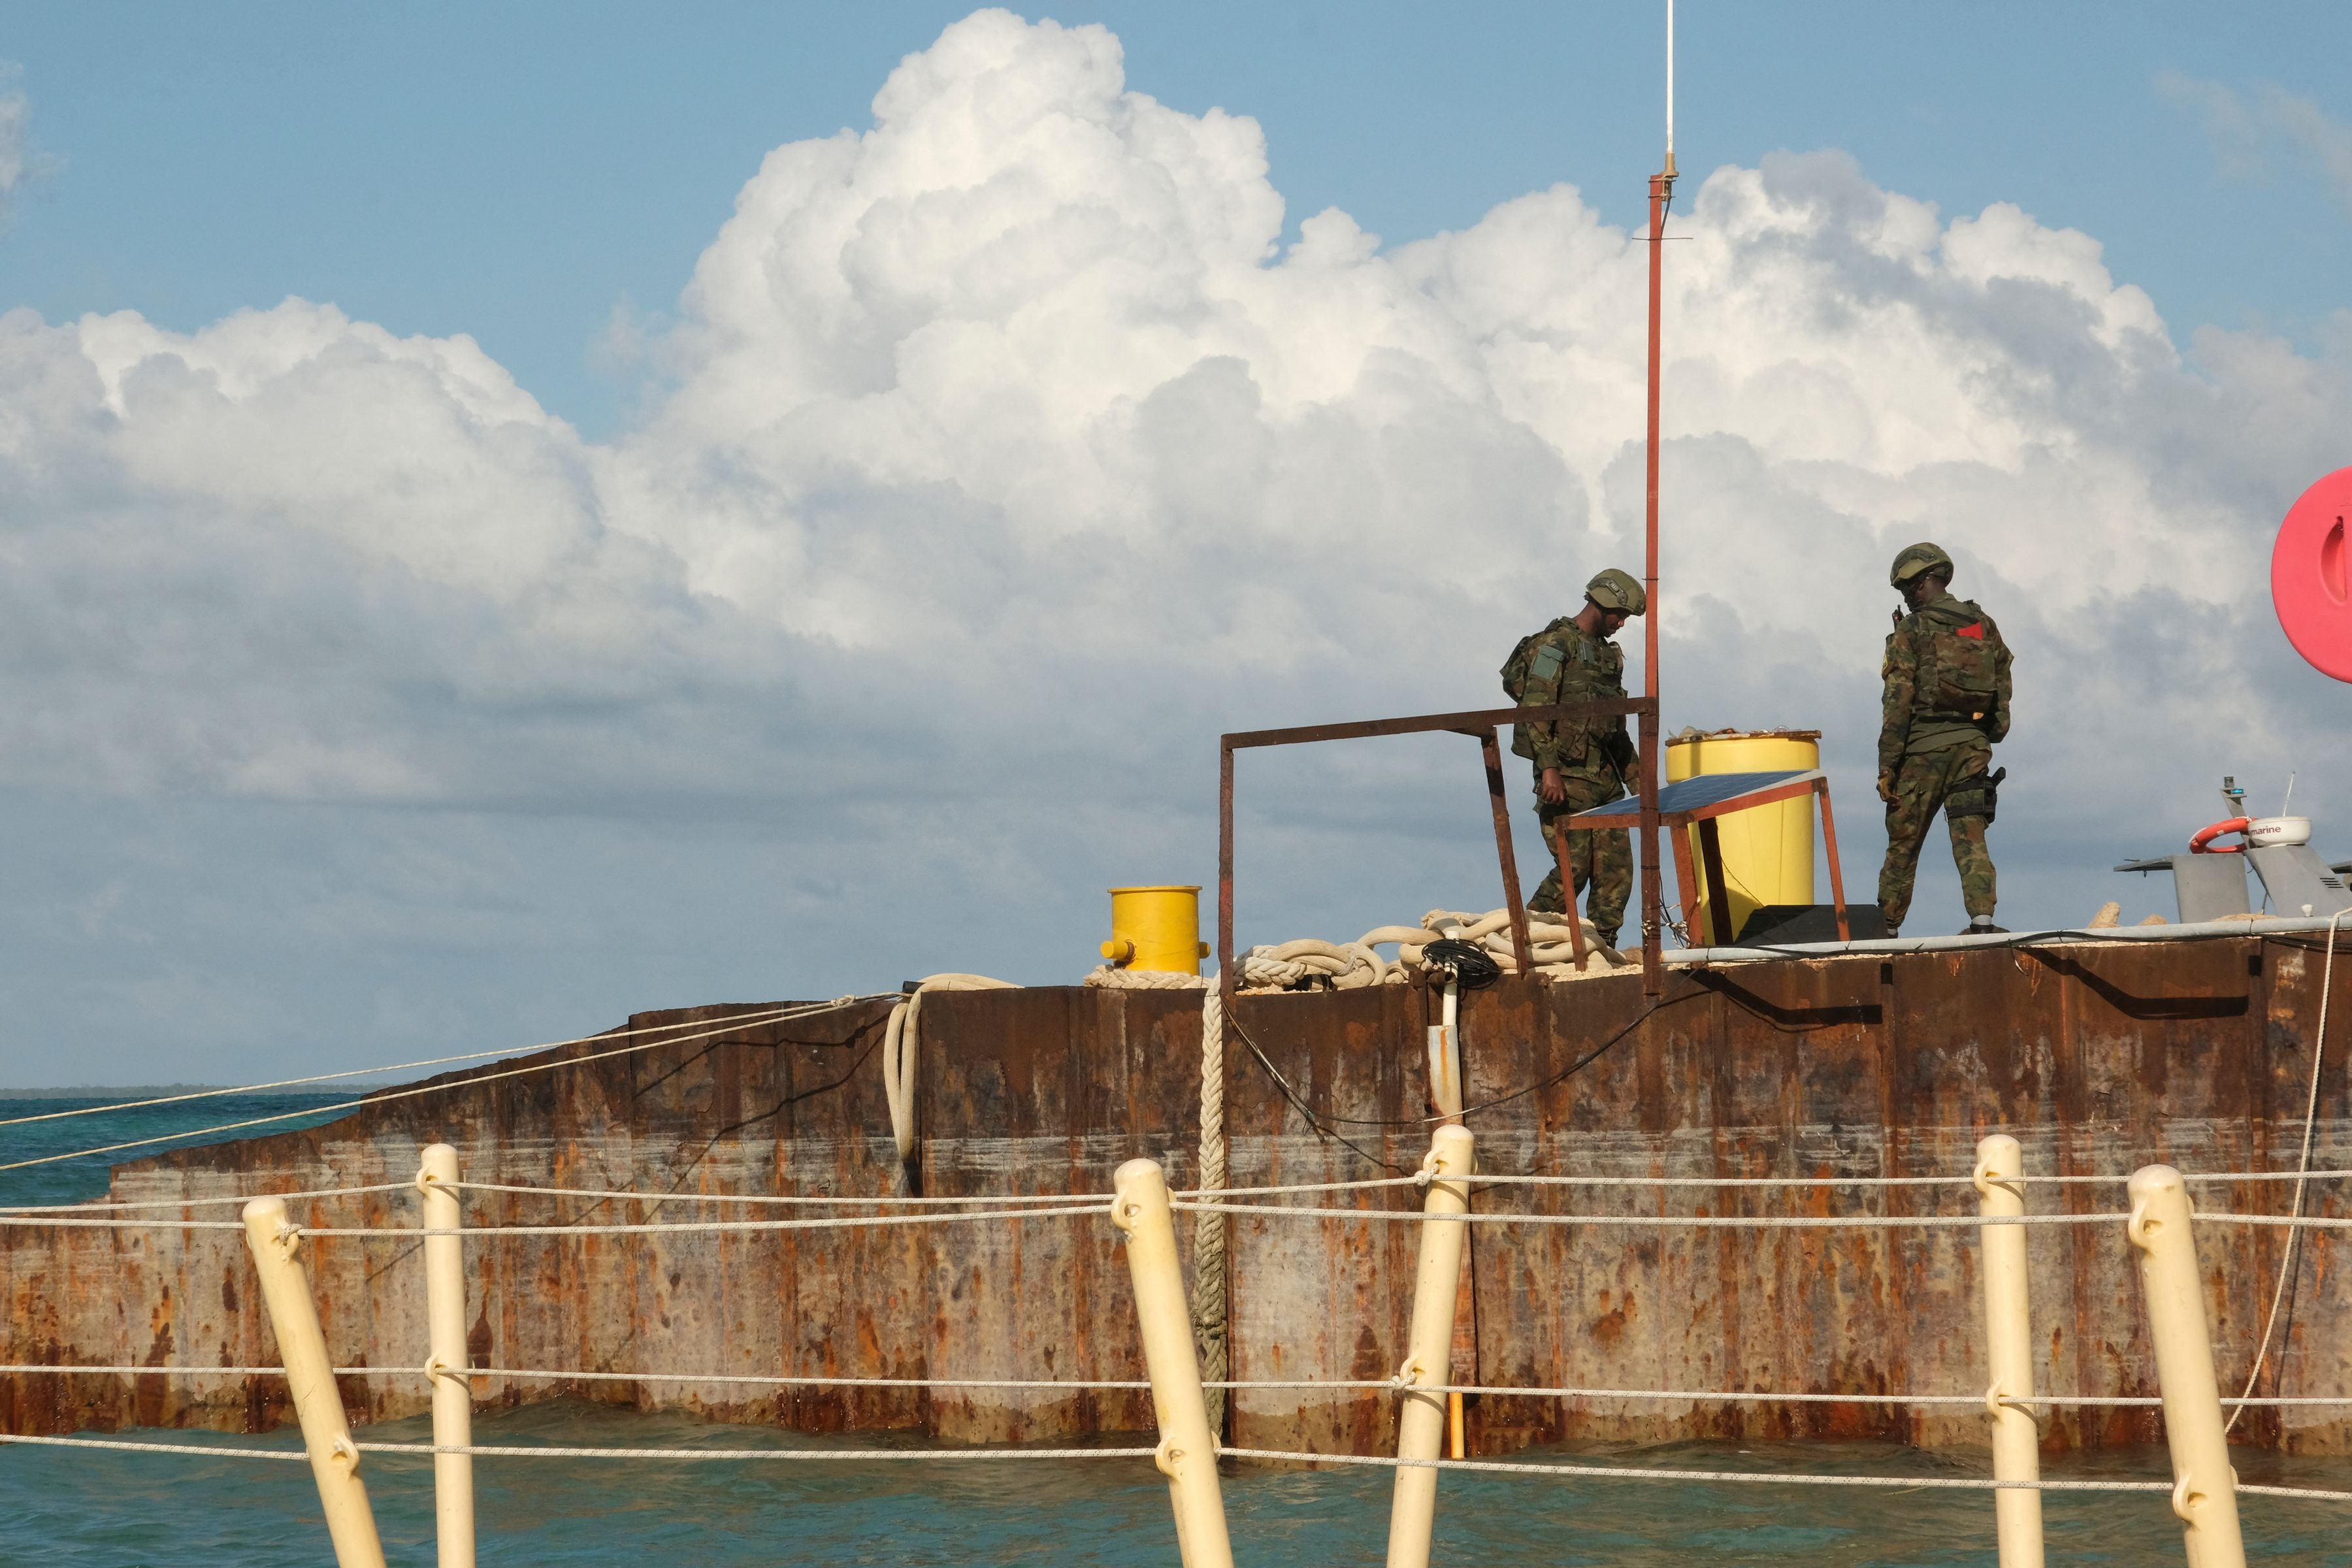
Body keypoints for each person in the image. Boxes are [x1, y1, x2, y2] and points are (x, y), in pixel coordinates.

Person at [1503, 568, 1645, 949]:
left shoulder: (1609, 657)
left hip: (1605, 781)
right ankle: (1528, 938)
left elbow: (1615, 729)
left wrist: (1639, 782)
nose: (1621, 623)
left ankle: (1602, 950)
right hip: (1566, 777)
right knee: (1574, 868)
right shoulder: (1557, 645)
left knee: (1616, 872)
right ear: (1603, 605)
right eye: (1620, 615)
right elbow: (1535, 709)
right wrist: (1549, 769)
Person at [1876, 542, 2012, 938]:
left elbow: (1898, 700)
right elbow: (2002, 679)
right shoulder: (1983, 624)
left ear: (1919, 584)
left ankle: (1885, 930)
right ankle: (1982, 922)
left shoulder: (1911, 629)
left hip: (1921, 753)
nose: (1906, 596)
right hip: (1972, 750)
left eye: (1906, 589)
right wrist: (1990, 732)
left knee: (1904, 842)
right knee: (1971, 836)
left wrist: (1887, 764)